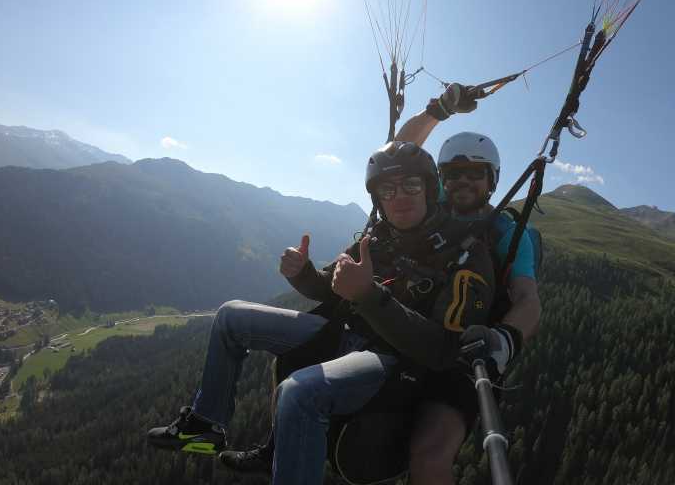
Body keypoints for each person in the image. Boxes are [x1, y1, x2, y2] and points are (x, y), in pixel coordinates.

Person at [147, 141, 495, 485]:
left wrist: (369, 295)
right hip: (342, 333)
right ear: (378, 199)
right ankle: (206, 425)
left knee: (298, 391)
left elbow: (445, 349)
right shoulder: (377, 237)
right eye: (387, 189)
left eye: (411, 185)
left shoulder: (464, 252)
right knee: (231, 316)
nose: (399, 195)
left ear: (429, 189)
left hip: (392, 357)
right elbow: (330, 286)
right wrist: (303, 273)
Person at [396, 85, 542, 485]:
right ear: (440, 179)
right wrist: (438, 110)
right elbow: (397, 153)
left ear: (491, 180)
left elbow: (528, 298)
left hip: (466, 356)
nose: (462, 181)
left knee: (428, 457)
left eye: (474, 173)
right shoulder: (430, 210)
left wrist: (503, 341)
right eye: (453, 174)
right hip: (405, 336)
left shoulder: (507, 233)